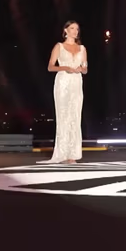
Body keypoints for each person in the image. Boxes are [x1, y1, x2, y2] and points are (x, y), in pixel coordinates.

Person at [40, 20, 87, 164]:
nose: (75, 31)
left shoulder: (82, 48)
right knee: (63, 116)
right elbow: (50, 67)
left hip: (76, 82)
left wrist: (81, 69)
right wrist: (65, 68)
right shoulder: (59, 46)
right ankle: (62, 153)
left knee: (75, 117)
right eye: (72, 28)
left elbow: (85, 69)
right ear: (66, 30)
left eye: (77, 29)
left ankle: (73, 154)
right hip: (63, 82)